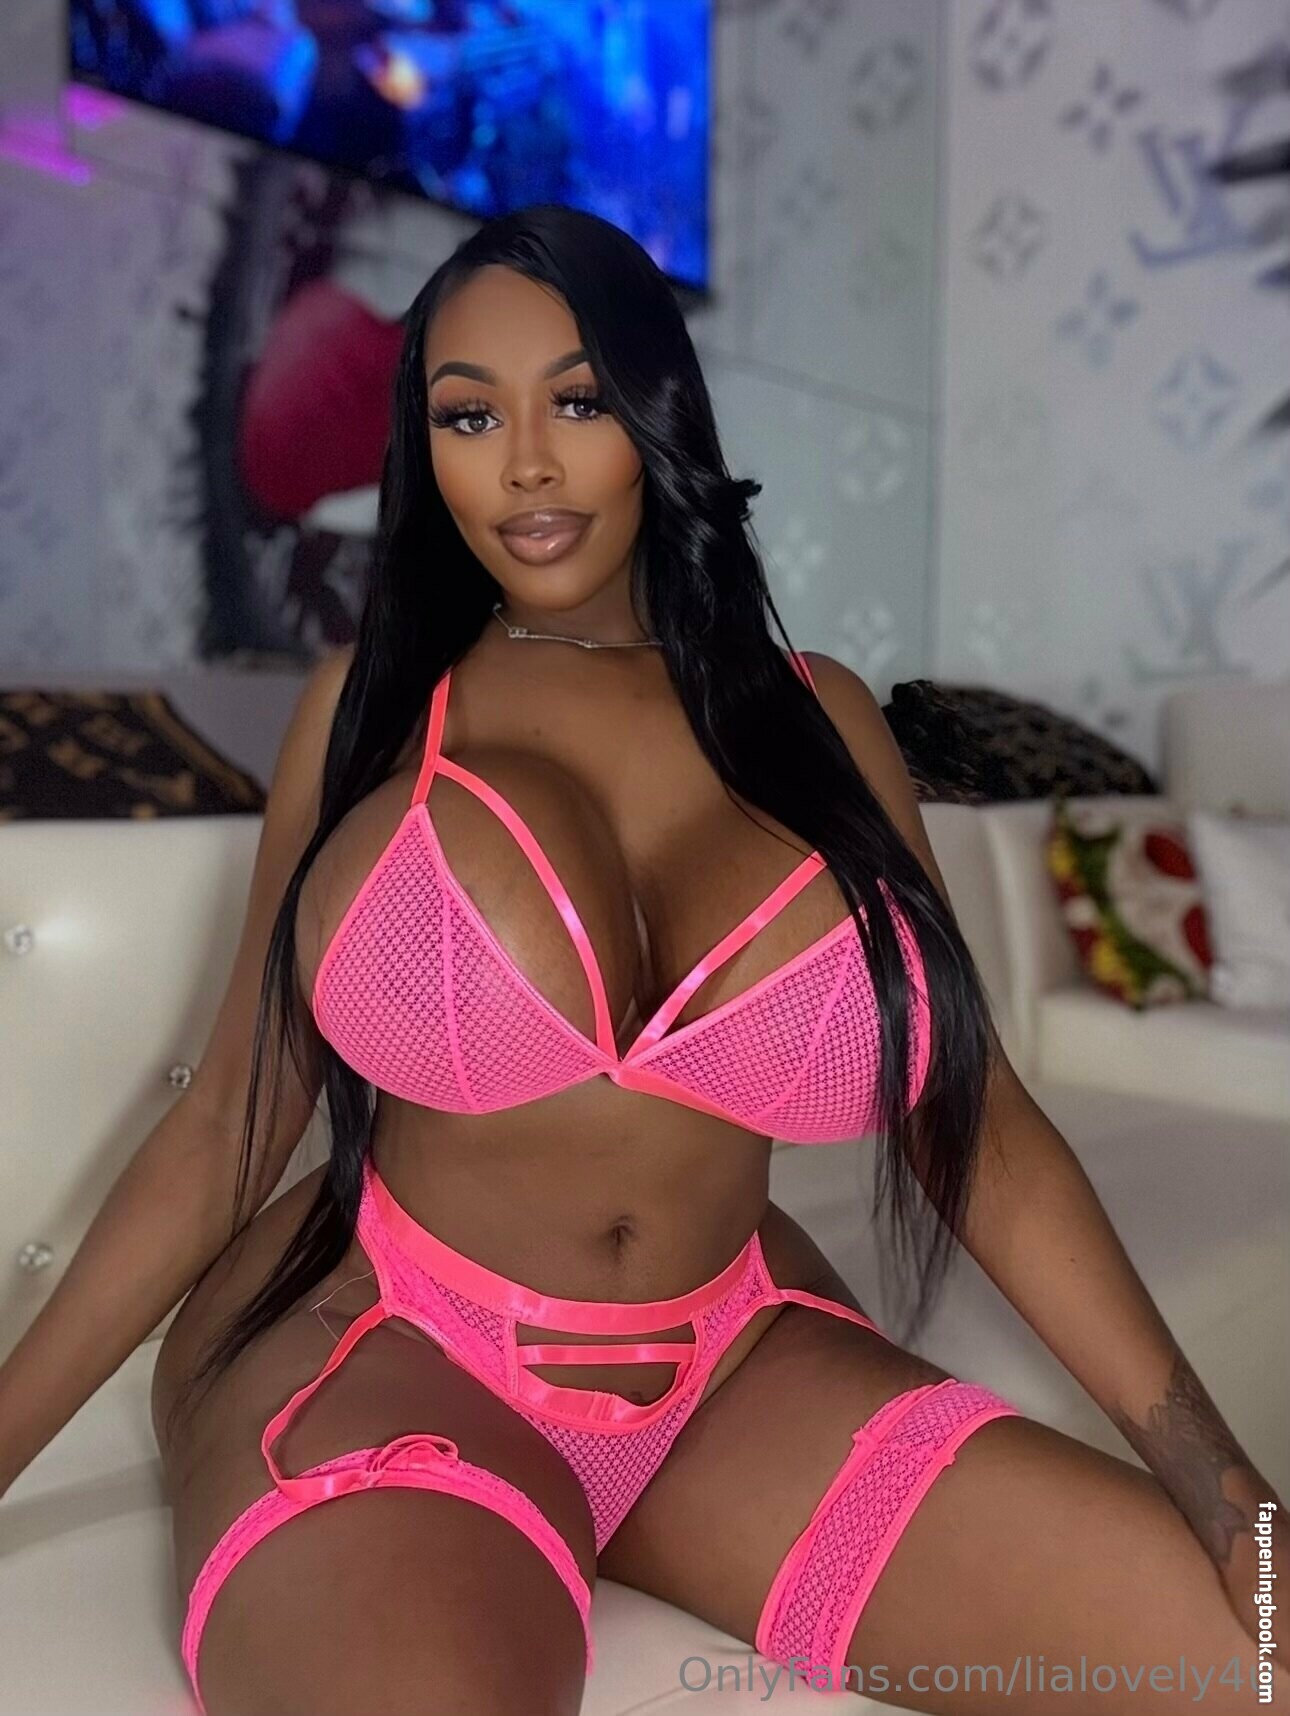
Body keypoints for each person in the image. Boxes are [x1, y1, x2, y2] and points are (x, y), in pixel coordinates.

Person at [2, 204, 1282, 1716]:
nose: (525, 466)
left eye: (578, 400)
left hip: (726, 1368)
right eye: (469, 416)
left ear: (657, 413)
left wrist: (1224, 1488)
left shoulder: (816, 717)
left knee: (1253, 1659)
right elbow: (232, 1115)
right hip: (396, 1345)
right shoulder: (373, 706)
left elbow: (975, 1121)